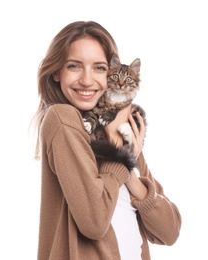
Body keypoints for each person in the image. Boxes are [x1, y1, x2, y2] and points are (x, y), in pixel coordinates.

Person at [33, 21, 181, 260]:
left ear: (112, 74)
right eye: (74, 66)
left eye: (99, 68)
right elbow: (94, 222)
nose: (87, 80)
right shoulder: (63, 119)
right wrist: (119, 154)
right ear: (57, 73)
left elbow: (170, 232)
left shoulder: (122, 132)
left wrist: (132, 177)